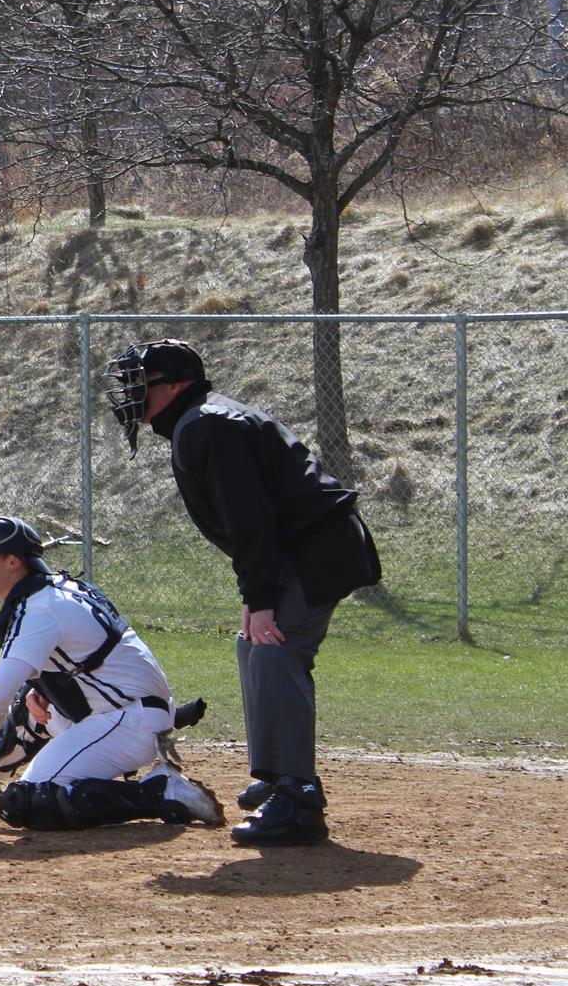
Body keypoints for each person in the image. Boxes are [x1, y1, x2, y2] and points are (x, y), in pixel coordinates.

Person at [103, 338, 382, 847]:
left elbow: (252, 519)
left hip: (318, 550)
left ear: (177, 385)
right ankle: (277, 775)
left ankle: (298, 799)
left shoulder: (207, 423)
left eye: (141, 382)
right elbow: (252, 520)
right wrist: (258, 593)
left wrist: (262, 597)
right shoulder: (201, 420)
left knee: (277, 648)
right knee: (252, 643)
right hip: (304, 549)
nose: (131, 393)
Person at [0, 515, 224, 830]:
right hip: (123, 706)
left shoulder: (39, 609)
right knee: (27, 704)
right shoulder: (53, 589)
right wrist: (42, 691)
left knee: (29, 803)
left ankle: (159, 792)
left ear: (13, 562)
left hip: (127, 721)